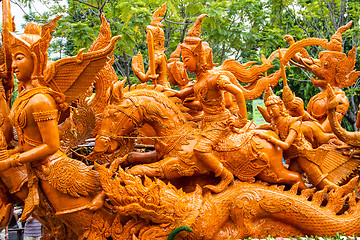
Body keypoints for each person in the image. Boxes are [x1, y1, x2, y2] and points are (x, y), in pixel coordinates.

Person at [173, 15, 248, 193]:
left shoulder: (215, 78)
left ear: (199, 57)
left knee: (200, 149)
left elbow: (238, 92)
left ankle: (225, 175)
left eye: (186, 60)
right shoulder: (199, 80)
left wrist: (242, 119)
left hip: (220, 122)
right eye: (183, 60)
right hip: (205, 122)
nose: (184, 65)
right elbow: (182, 93)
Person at [257, 88, 338, 190]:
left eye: (272, 108)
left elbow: (286, 145)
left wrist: (268, 138)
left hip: (304, 154)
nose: (270, 112)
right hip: (294, 156)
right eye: (268, 109)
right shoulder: (276, 123)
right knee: (291, 182)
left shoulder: (293, 122)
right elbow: (271, 128)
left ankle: (344, 195)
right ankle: (308, 196)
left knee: (321, 182)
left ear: (281, 106)